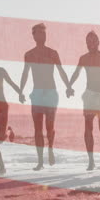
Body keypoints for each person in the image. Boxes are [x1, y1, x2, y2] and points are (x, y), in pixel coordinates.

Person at [19, 23, 70, 171]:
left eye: (44, 33)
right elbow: (25, 73)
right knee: (37, 129)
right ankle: (40, 161)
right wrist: (21, 91)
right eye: (39, 33)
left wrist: (68, 86)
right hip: (37, 94)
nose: (42, 36)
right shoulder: (29, 54)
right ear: (34, 36)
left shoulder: (52, 53)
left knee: (49, 127)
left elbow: (61, 71)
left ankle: (51, 149)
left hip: (51, 93)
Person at [67, 31, 100, 171]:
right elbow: (76, 73)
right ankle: (90, 160)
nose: (90, 44)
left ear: (98, 42)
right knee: (88, 127)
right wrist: (69, 86)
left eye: (93, 41)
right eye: (88, 42)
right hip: (89, 95)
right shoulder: (83, 58)